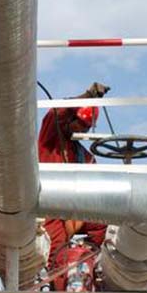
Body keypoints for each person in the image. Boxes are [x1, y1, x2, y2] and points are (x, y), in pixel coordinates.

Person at [38, 82, 110, 281]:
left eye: (86, 127)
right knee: (57, 249)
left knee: (106, 221)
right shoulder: (50, 140)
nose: (82, 130)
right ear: (70, 119)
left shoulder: (85, 157)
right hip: (47, 207)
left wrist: (76, 221)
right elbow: (56, 112)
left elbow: (94, 193)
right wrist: (87, 96)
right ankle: (60, 280)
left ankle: (86, 259)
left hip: (72, 210)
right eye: (80, 124)